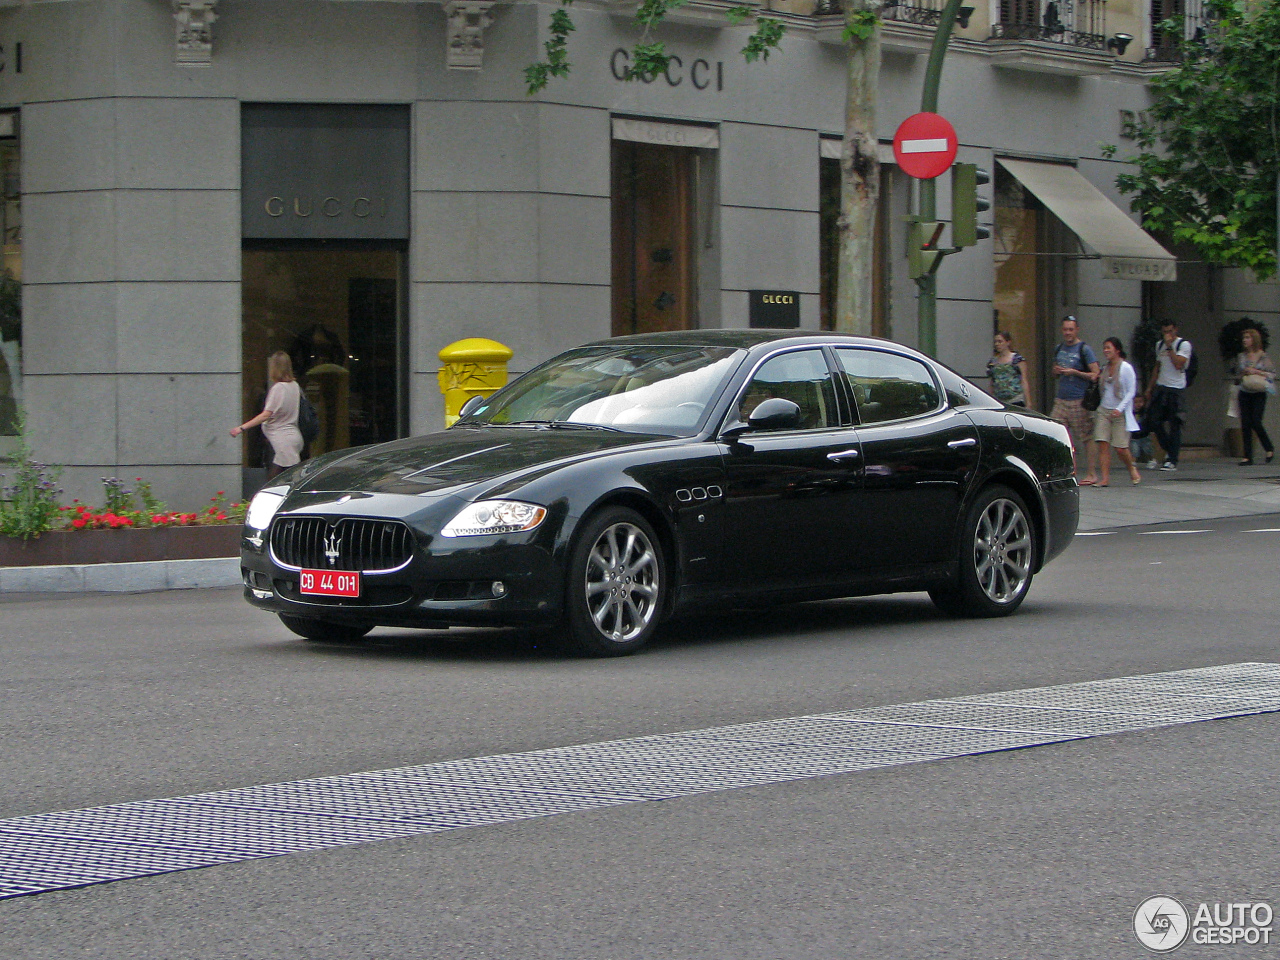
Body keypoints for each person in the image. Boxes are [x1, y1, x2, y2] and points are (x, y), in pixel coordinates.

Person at [231, 351, 303, 481]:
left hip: (282, 439)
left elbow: (266, 415)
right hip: (293, 436)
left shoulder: (278, 388)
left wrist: (241, 428)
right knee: (280, 476)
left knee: (284, 479)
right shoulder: (294, 386)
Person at [1085, 337, 1142, 487]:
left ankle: (1131, 467)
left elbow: (1131, 391)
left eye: (1109, 348)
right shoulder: (1104, 368)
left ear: (1117, 350)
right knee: (1103, 444)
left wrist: (1120, 408)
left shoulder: (1126, 368)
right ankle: (1105, 478)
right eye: (1104, 348)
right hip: (1104, 410)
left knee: (1120, 448)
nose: (1106, 351)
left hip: (1120, 412)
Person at [1051, 316, 1100, 483]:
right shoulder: (1059, 348)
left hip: (1079, 400)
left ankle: (1092, 473)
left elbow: (1095, 373)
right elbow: (1054, 371)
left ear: (1077, 330)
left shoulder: (1084, 349)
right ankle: (1069, 471)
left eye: (1071, 329)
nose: (1067, 333)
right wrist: (1057, 371)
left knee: (1086, 436)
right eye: (1065, 329)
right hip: (1061, 399)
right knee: (1057, 434)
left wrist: (1074, 372)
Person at [1144, 320, 1192, 471]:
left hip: (1176, 388)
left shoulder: (1183, 345)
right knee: (1154, 420)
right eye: (1165, 332)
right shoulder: (1159, 345)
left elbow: (1179, 364)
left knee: (1174, 424)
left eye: (1170, 331)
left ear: (1175, 330)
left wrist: (1170, 346)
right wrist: (1150, 387)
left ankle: (1172, 459)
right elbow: (1157, 367)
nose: (1167, 335)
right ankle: (1169, 449)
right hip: (1161, 387)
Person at [1233, 327, 1275, 465]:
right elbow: (1237, 375)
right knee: (1245, 423)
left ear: (1254, 340)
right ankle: (1247, 456)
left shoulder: (1263, 356)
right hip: (1244, 391)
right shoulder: (1241, 356)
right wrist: (1243, 373)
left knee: (1256, 421)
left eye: (1248, 338)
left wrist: (1255, 371)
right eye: (1244, 338)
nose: (1245, 340)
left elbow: (1272, 374)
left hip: (1259, 393)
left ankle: (1268, 448)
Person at [987, 331, 1032, 407]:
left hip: (1016, 399)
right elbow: (992, 382)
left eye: (1000, 342)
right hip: (999, 400)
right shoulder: (993, 362)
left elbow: (1024, 380)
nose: (997, 344)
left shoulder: (1017, 359)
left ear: (1008, 342)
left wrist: (1028, 402)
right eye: (996, 342)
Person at [1130, 393, 1156, 468]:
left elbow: (1149, 422)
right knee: (1134, 450)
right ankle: (1133, 462)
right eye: (1135, 402)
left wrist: (1151, 430)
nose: (1138, 404)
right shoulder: (1131, 413)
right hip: (1134, 436)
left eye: (1140, 402)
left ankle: (1151, 459)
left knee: (1147, 449)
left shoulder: (1145, 412)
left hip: (1145, 435)